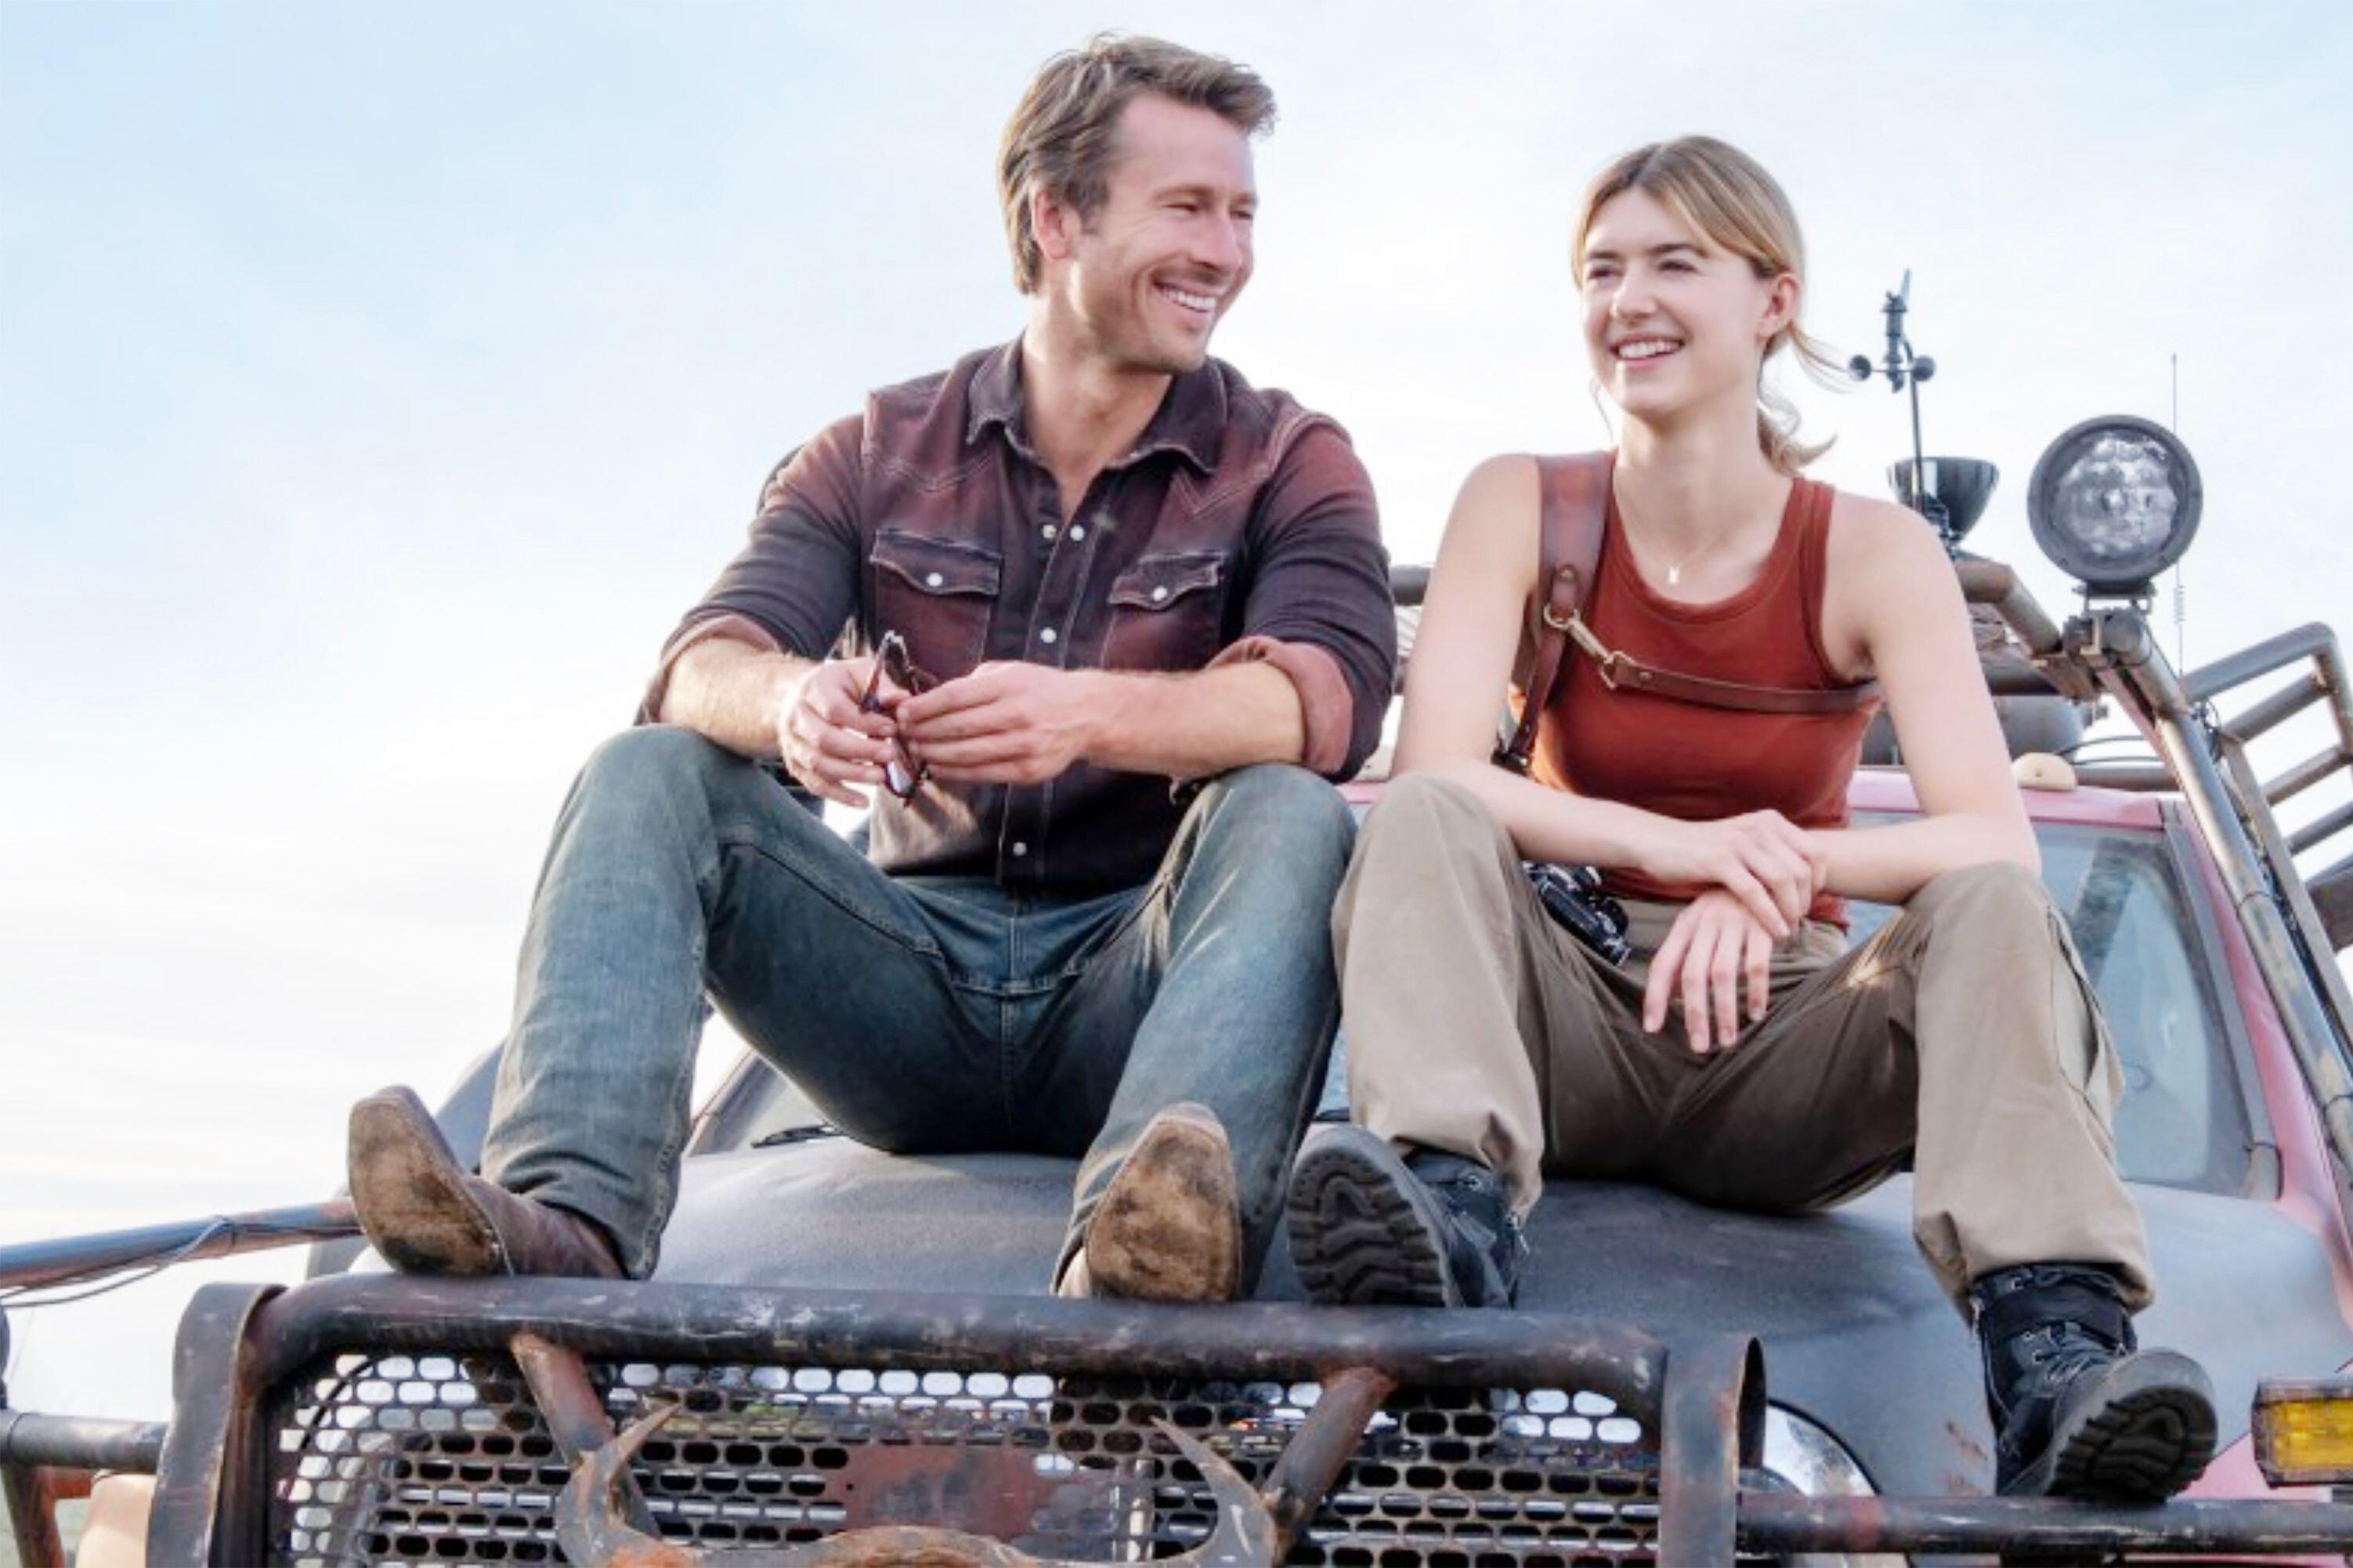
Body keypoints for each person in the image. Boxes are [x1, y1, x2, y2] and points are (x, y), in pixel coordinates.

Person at [344, 34, 1396, 1307]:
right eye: (1188, 208)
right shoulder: (875, 449)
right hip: (899, 988)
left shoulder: (1291, 457)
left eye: (1241, 214)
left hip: (1142, 982)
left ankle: (1149, 1243)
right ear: (1055, 216)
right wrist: (789, 703)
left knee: (1288, 802)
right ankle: (566, 1218)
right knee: (647, 768)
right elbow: (698, 666)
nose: (1227, 252)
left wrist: (1091, 715)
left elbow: (1328, 699)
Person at [1285, 135, 2216, 1501]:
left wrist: (1770, 874)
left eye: (1675, 263)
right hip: (1560, 1018)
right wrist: (1674, 846)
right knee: (1422, 813)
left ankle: (2054, 1352)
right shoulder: (1520, 505)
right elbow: (1434, 768)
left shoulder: (1872, 551)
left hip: (1781, 1041)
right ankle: (1452, 1207)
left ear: (1773, 300)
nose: (1629, 301)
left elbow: (1991, 839)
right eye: (1602, 271)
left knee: (1995, 912)